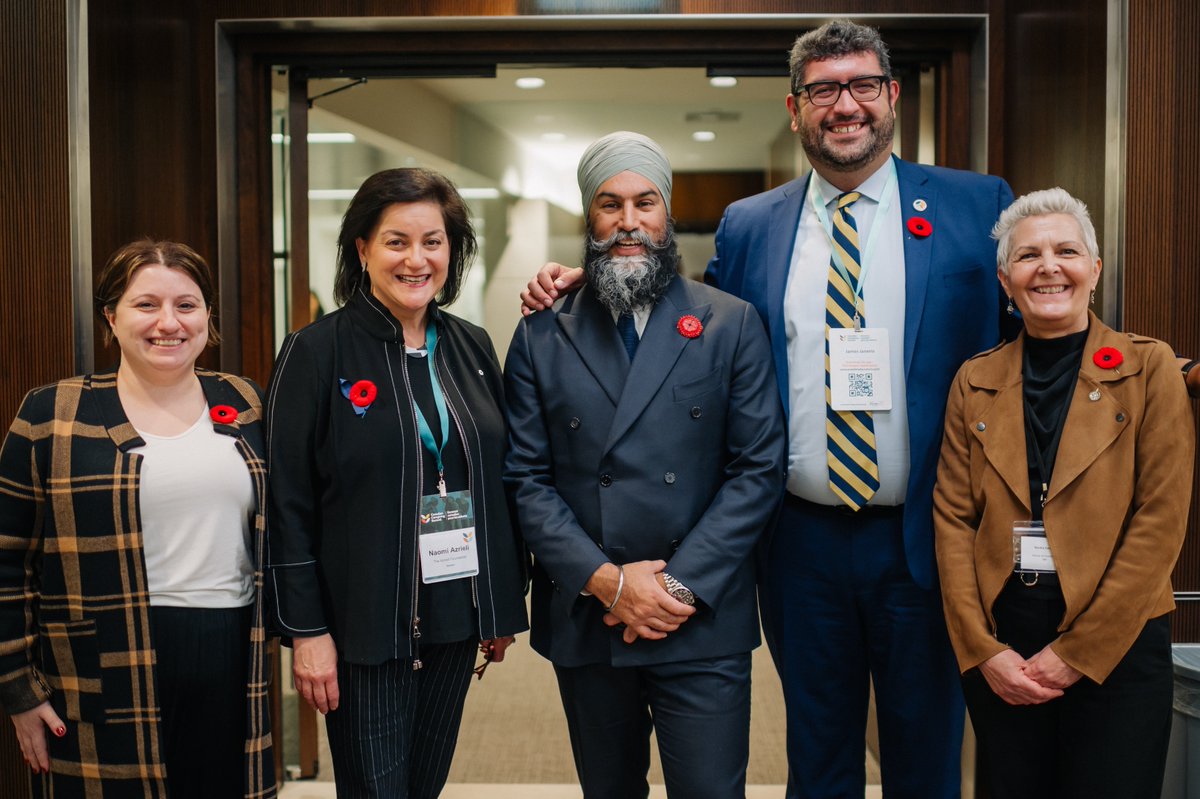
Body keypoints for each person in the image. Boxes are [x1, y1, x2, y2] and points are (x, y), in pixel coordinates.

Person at [523, 20, 1014, 798]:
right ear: (795, 108)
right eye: (823, 89)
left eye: (861, 85)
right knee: (817, 756)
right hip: (800, 542)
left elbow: (1036, 337)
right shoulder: (753, 224)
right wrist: (588, 280)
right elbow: (686, 320)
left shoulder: (974, 205)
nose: (843, 104)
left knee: (927, 757)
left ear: (890, 96)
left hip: (930, 534)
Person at [504, 131, 786, 797]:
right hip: (591, 614)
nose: (628, 221)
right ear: (588, 216)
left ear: (667, 213)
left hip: (700, 615)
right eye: (609, 204)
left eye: (644, 202)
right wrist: (609, 583)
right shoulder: (543, 330)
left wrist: (677, 589)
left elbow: (758, 469)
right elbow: (525, 477)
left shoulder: (730, 322)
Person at [265, 167, 528, 798]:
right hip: (362, 626)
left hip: (453, 615)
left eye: (433, 241)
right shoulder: (315, 351)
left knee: (425, 785)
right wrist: (306, 632)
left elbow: (496, 481)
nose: (417, 259)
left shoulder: (471, 345)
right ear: (362, 249)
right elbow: (286, 502)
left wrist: (495, 601)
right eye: (396, 241)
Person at [934, 187, 1195, 797]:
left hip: (1119, 642)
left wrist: (1079, 651)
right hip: (1006, 646)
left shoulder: (1150, 369)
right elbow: (951, 522)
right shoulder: (975, 379)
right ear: (1006, 280)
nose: (1048, 266)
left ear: (1094, 270)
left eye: (1066, 251)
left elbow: (1160, 522)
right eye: (1028, 256)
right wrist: (981, 649)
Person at [0, 240, 275, 797]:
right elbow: (7, 564)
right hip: (100, 665)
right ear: (111, 316)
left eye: (187, 305)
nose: (168, 323)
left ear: (207, 317)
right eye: (146, 304)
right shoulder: (52, 413)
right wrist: (18, 690)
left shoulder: (246, 402)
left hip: (232, 652)